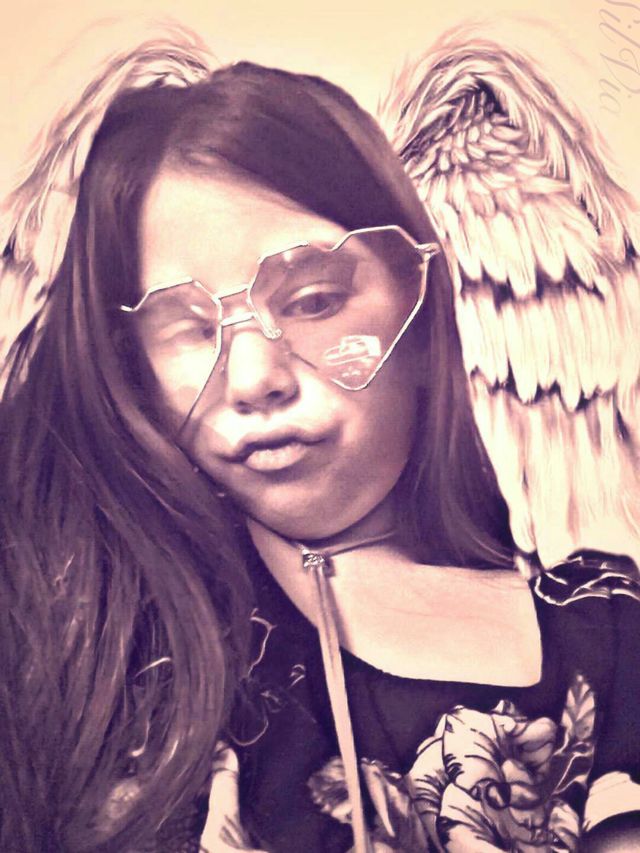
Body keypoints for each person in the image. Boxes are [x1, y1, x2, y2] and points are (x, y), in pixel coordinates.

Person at [1, 40, 639, 853]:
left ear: (420, 306)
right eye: (187, 329)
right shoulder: (73, 607)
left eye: (312, 300)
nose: (253, 378)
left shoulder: (604, 630)